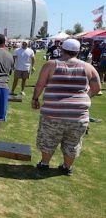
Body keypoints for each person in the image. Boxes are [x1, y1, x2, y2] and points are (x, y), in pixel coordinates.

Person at [32, 39, 101, 176]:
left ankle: (44, 163)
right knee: (73, 142)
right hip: (78, 115)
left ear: (62, 49)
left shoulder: (51, 65)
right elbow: (97, 88)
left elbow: (40, 84)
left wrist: (35, 98)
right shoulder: (88, 67)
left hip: (53, 112)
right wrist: (84, 98)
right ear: (78, 51)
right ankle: (66, 167)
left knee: (48, 138)